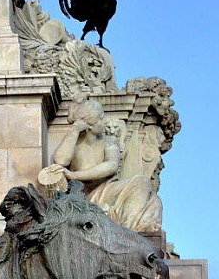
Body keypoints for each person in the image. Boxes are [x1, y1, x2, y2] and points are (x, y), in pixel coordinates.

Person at [45, 98, 161, 232]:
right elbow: (61, 160)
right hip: (84, 196)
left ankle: (129, 230)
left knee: (147, 191)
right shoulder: (74, 144)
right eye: (100, 119)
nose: (104, 122)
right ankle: (127, 232)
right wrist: (74, 130)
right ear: (90, 124)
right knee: (142, 185)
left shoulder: (109, 141)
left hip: (107, 190)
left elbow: (112, 165)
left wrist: (74, 175)